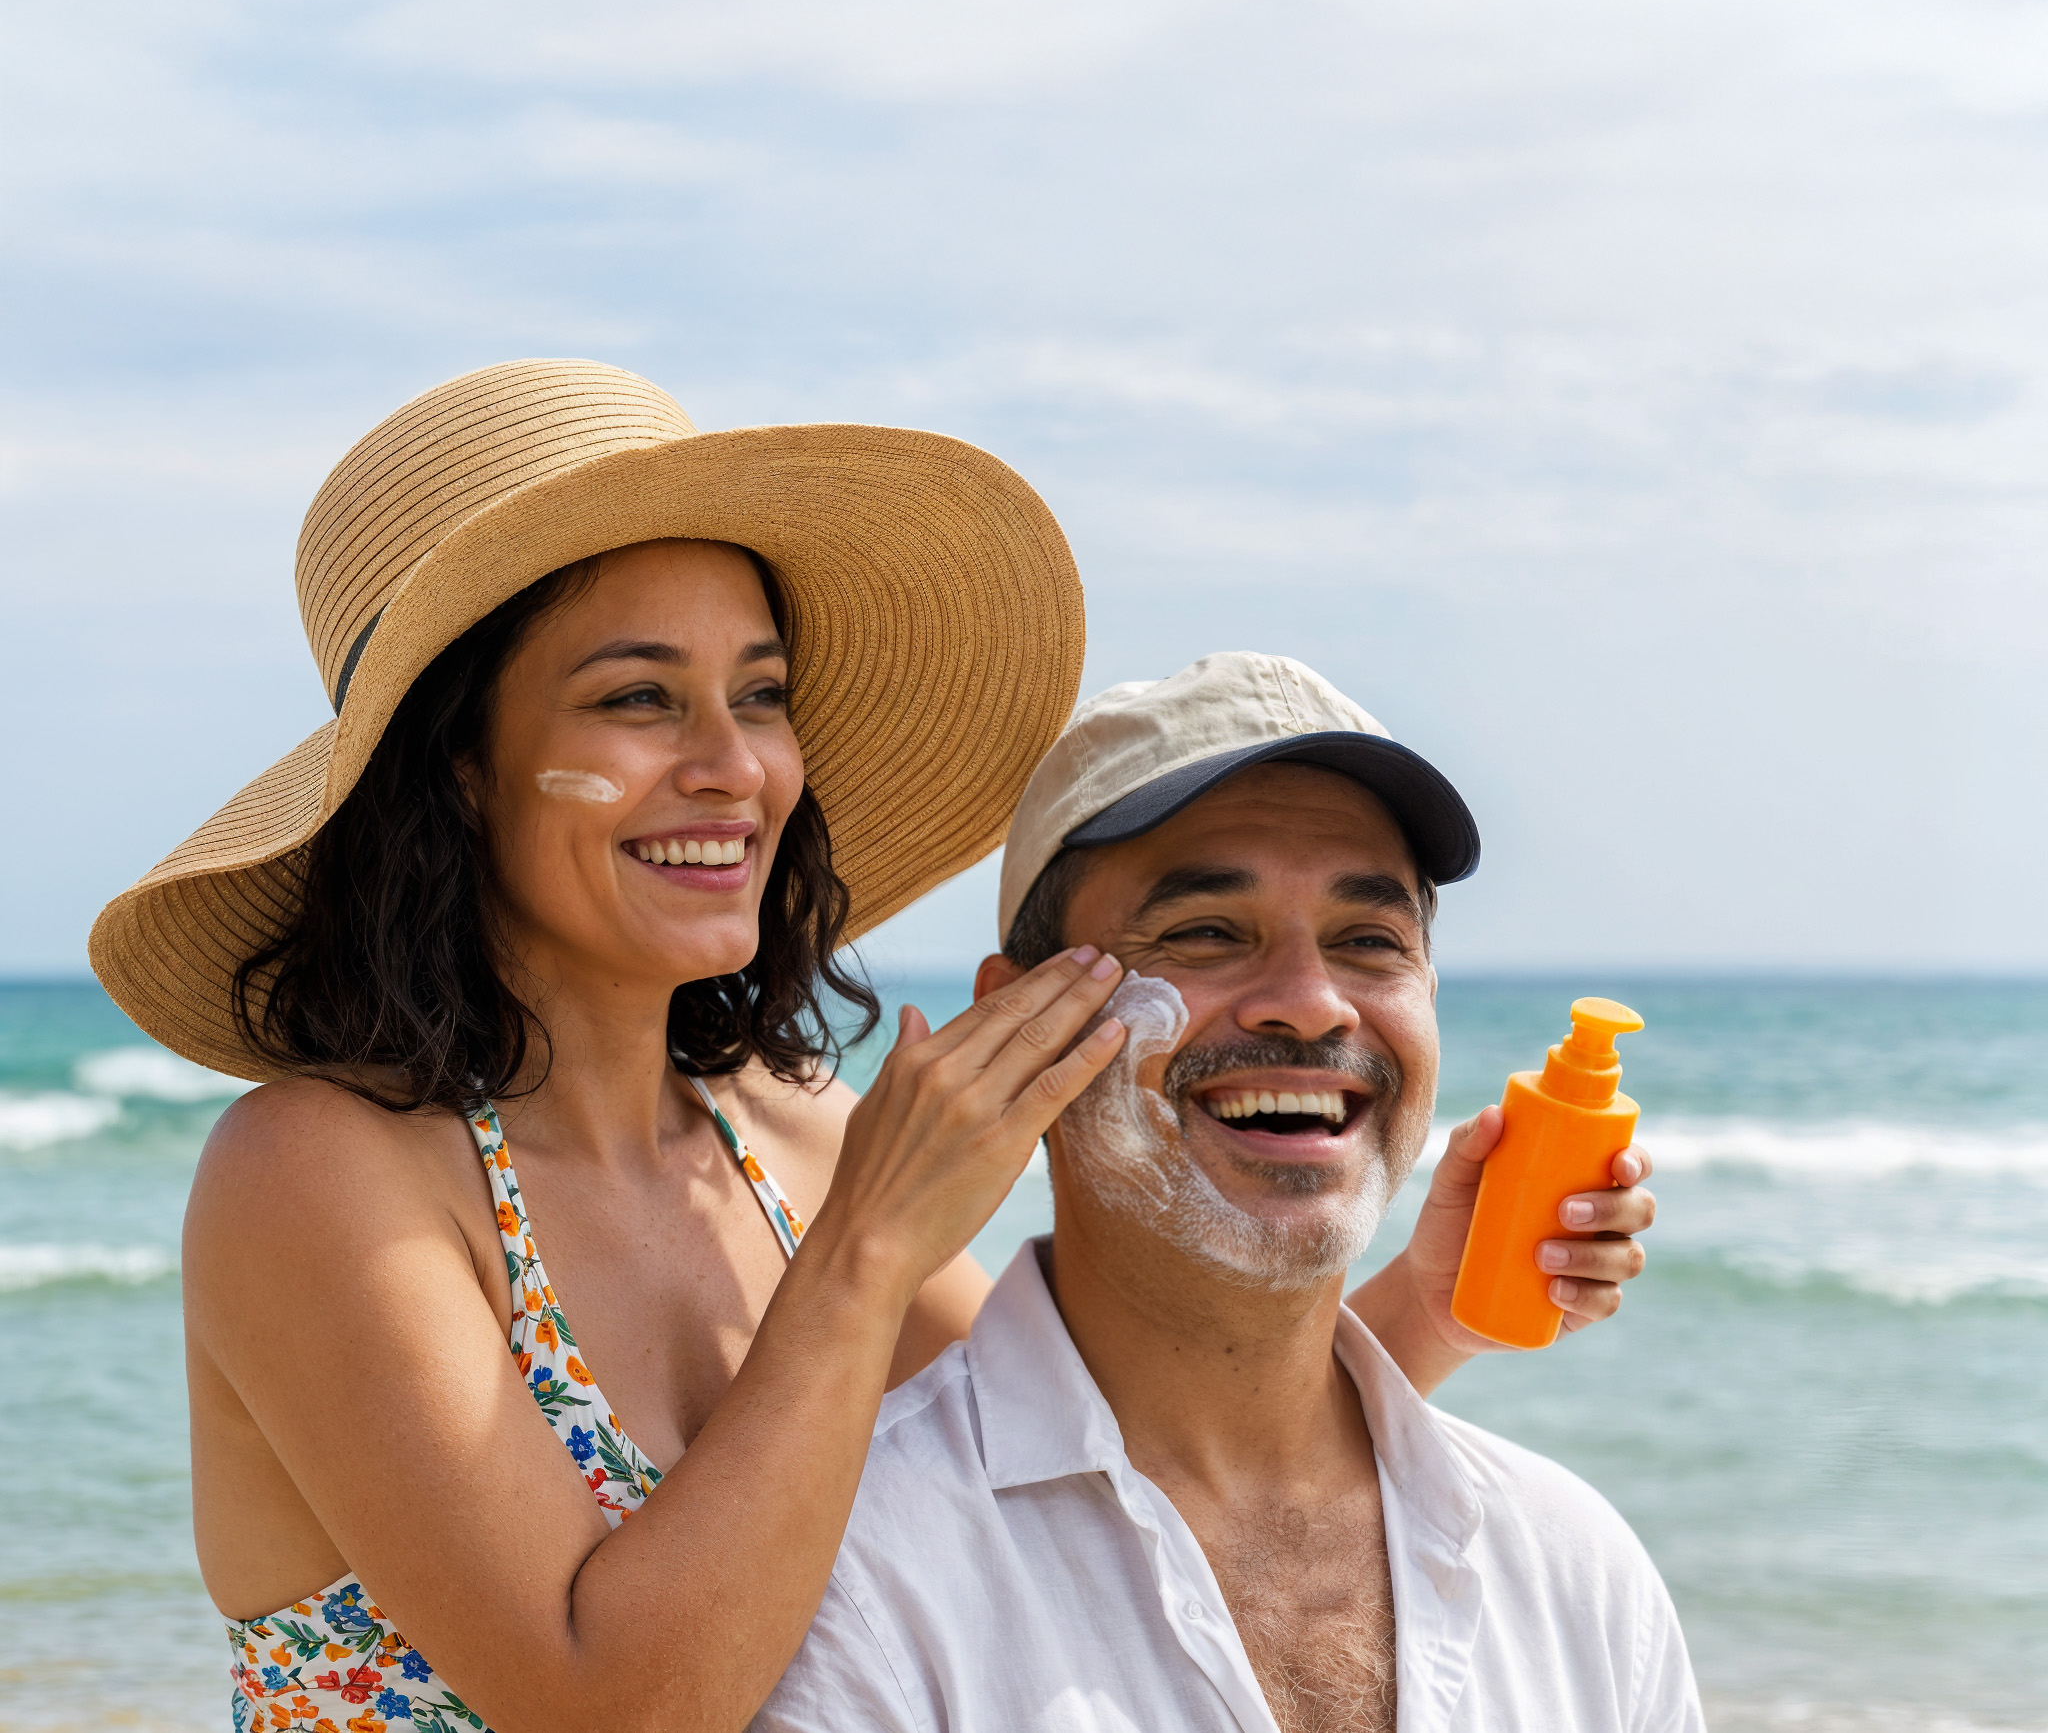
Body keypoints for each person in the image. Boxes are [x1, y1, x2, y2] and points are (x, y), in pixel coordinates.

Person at [89, 356, 1648, 1733]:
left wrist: (1417, 1317)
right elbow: (607, 1704)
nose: (734, 767)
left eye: (759, 697)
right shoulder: (323, 1171)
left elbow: (1085, 1480)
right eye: (641, 699)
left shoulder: (786, 1134)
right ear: (461, 777)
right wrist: (874, 1242)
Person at [757, 652, 1696, 1733]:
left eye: (1368, 942)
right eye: (1206, 932)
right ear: (1017, 1020)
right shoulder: (860, 1585)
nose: (1309, 1004)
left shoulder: (1578, 1578)